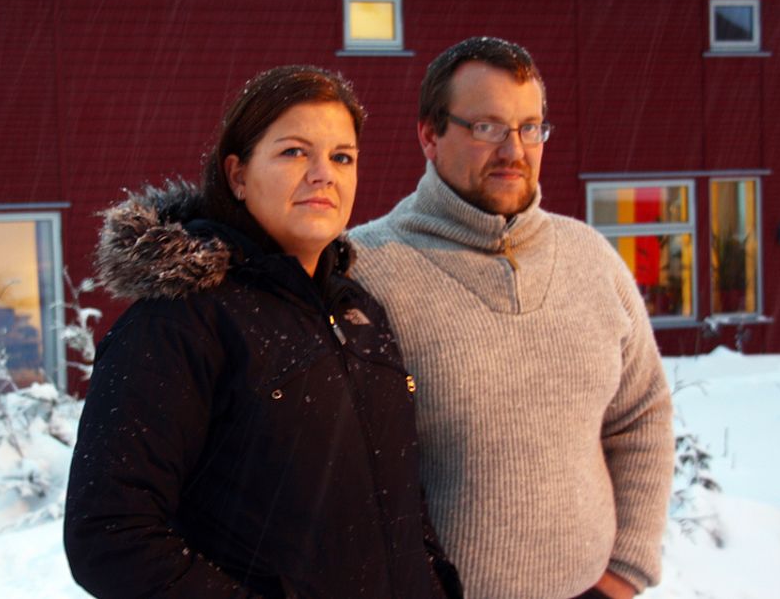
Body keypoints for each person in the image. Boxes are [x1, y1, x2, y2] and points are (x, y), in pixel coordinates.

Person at [63, 65, 461, 599]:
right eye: (295, 152)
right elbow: (108, 534)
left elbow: (395, 494)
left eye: (342, 156)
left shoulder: (360, 313)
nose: (324, 174)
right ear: (237, 176)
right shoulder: (180, 322)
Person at [349, 37, 674, 599]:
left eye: (530, 127)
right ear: (429, 133)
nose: (514, 150)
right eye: (487, 128)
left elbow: (642, 414)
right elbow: (332, 472)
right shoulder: (363, 271)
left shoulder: (591, 259)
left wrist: (624, 571)